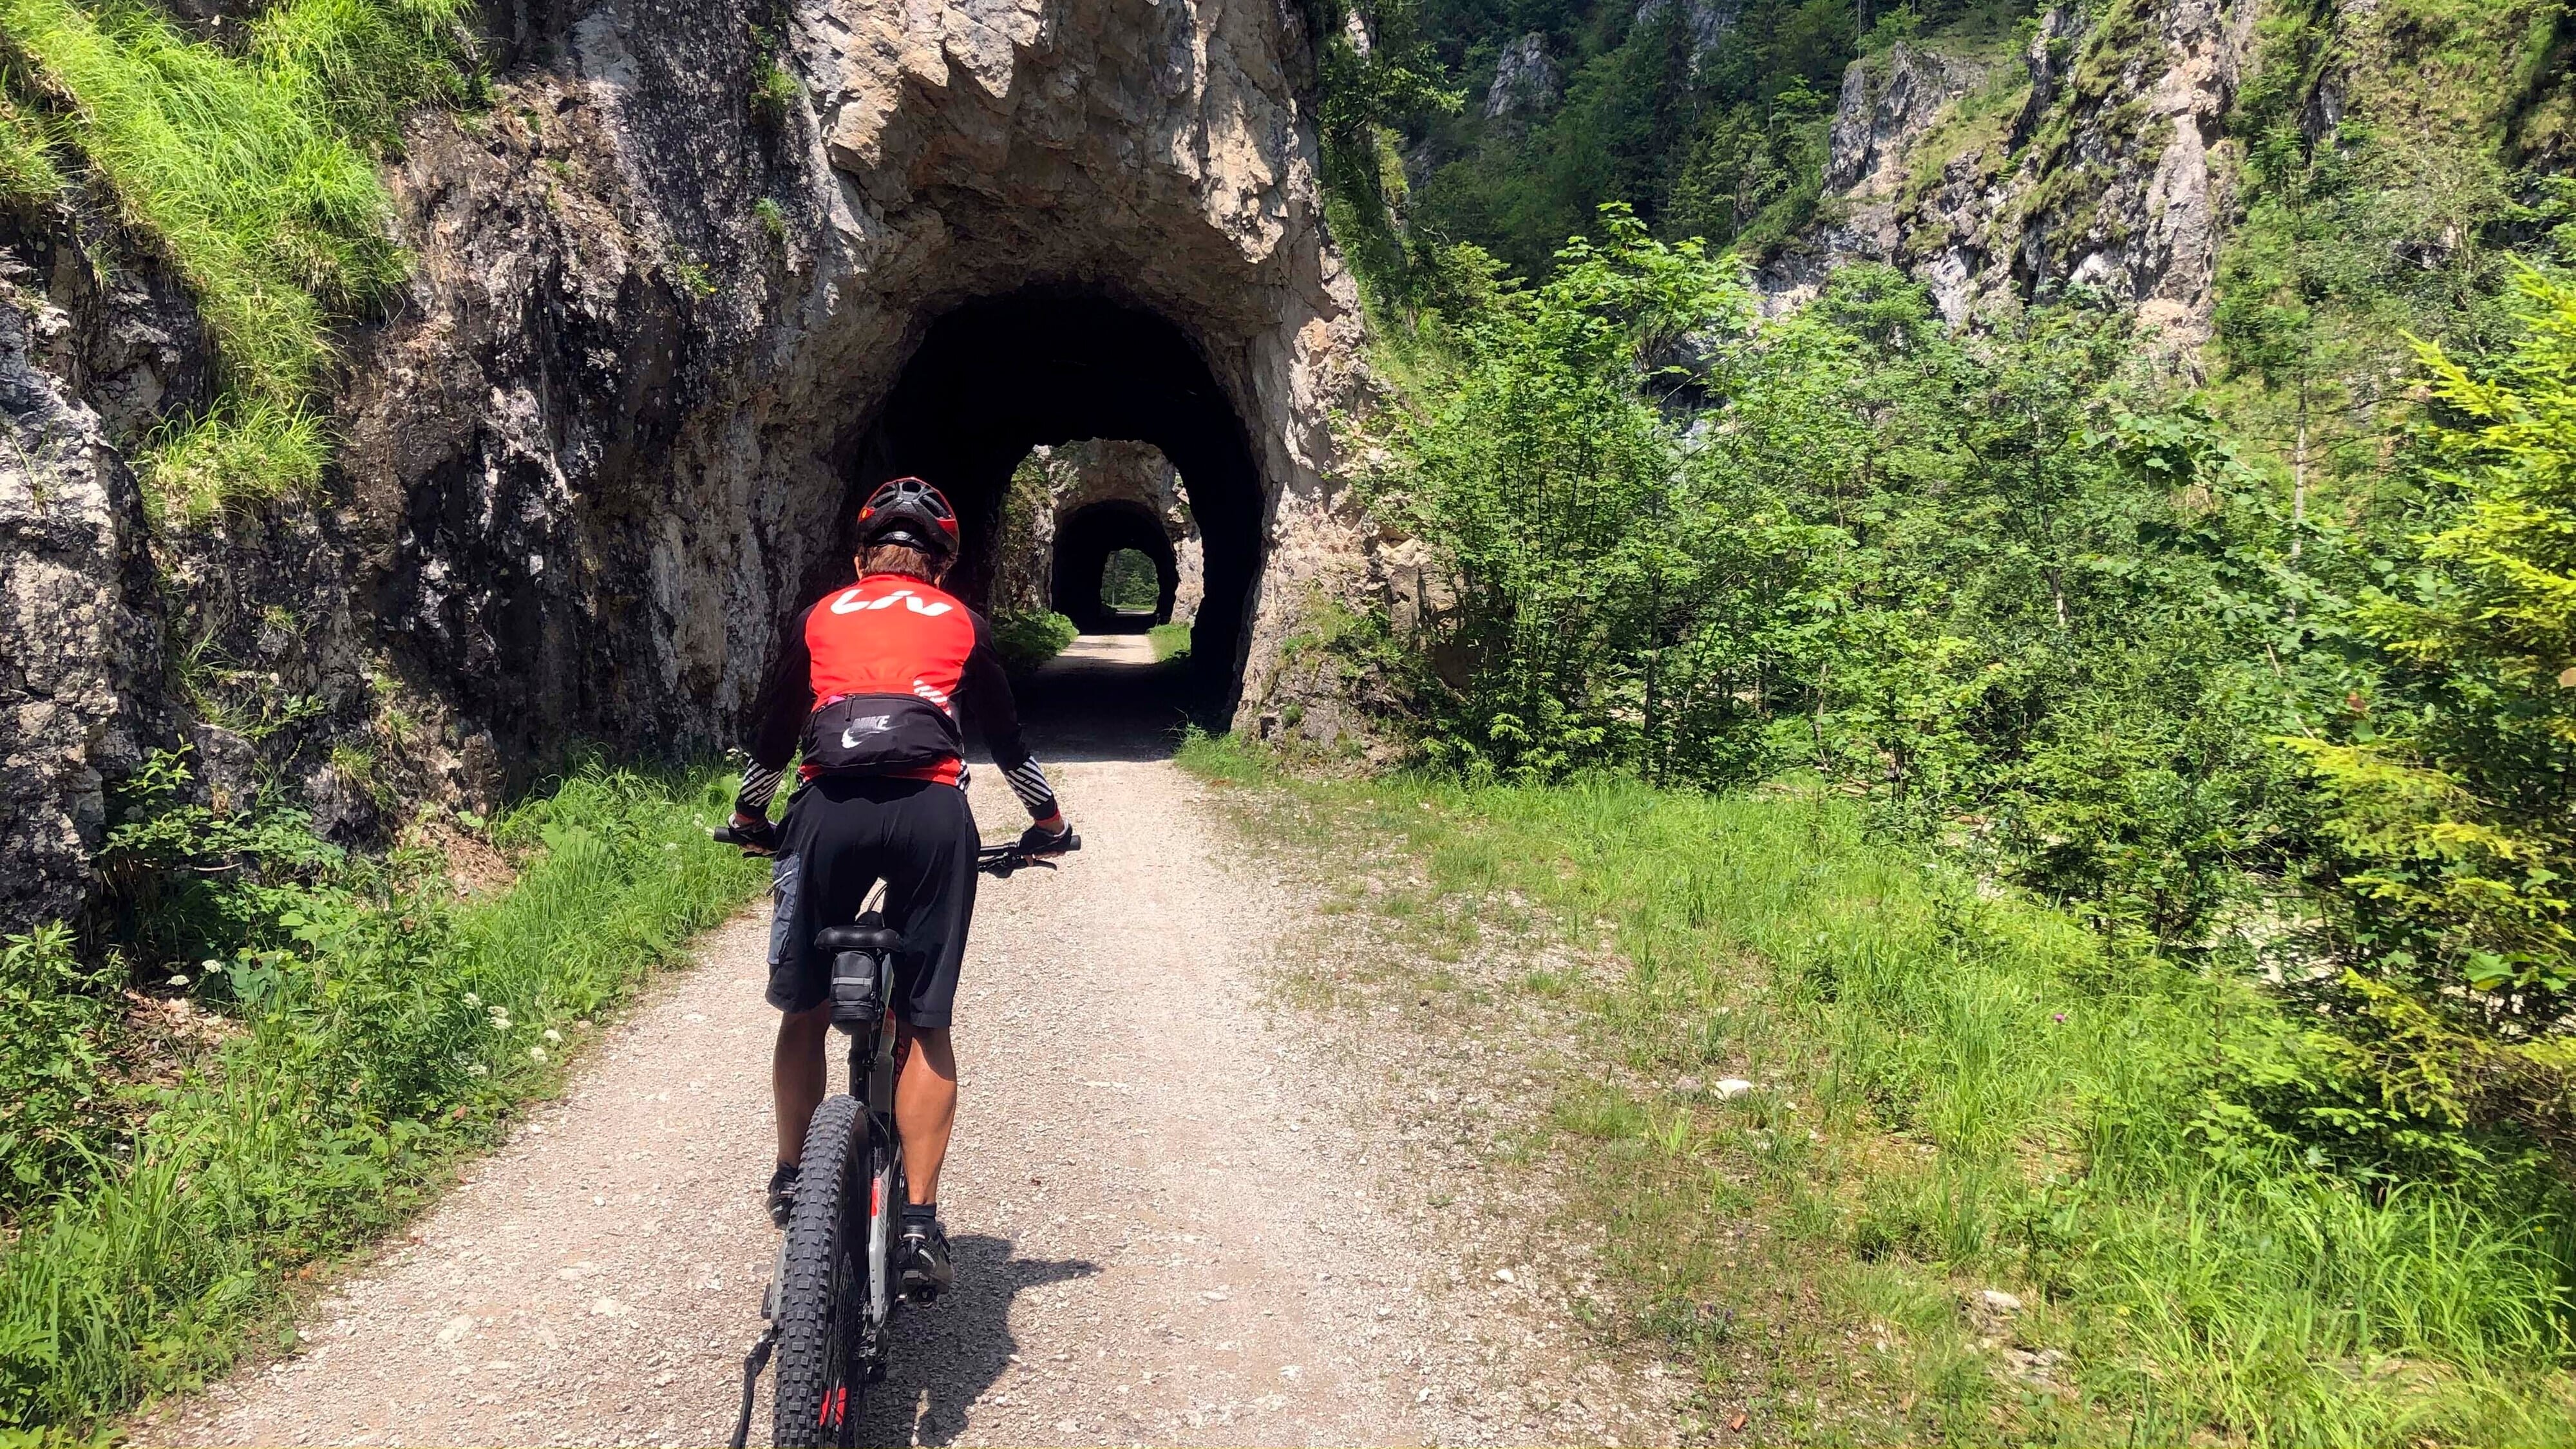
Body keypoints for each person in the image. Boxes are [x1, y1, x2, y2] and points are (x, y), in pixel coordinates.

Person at [727, 475, 1072, 1300]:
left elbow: (775, 735)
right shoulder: (961, 623)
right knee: (924, 1021)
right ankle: (918, 1223)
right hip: (930, 814)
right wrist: (1049, 822)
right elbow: (1007, 740)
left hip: (827, 810)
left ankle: (789, 1176)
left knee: (803, 1010)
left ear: (859, 562)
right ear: (940, 568)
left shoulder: (818, 617)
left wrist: (749, 815)